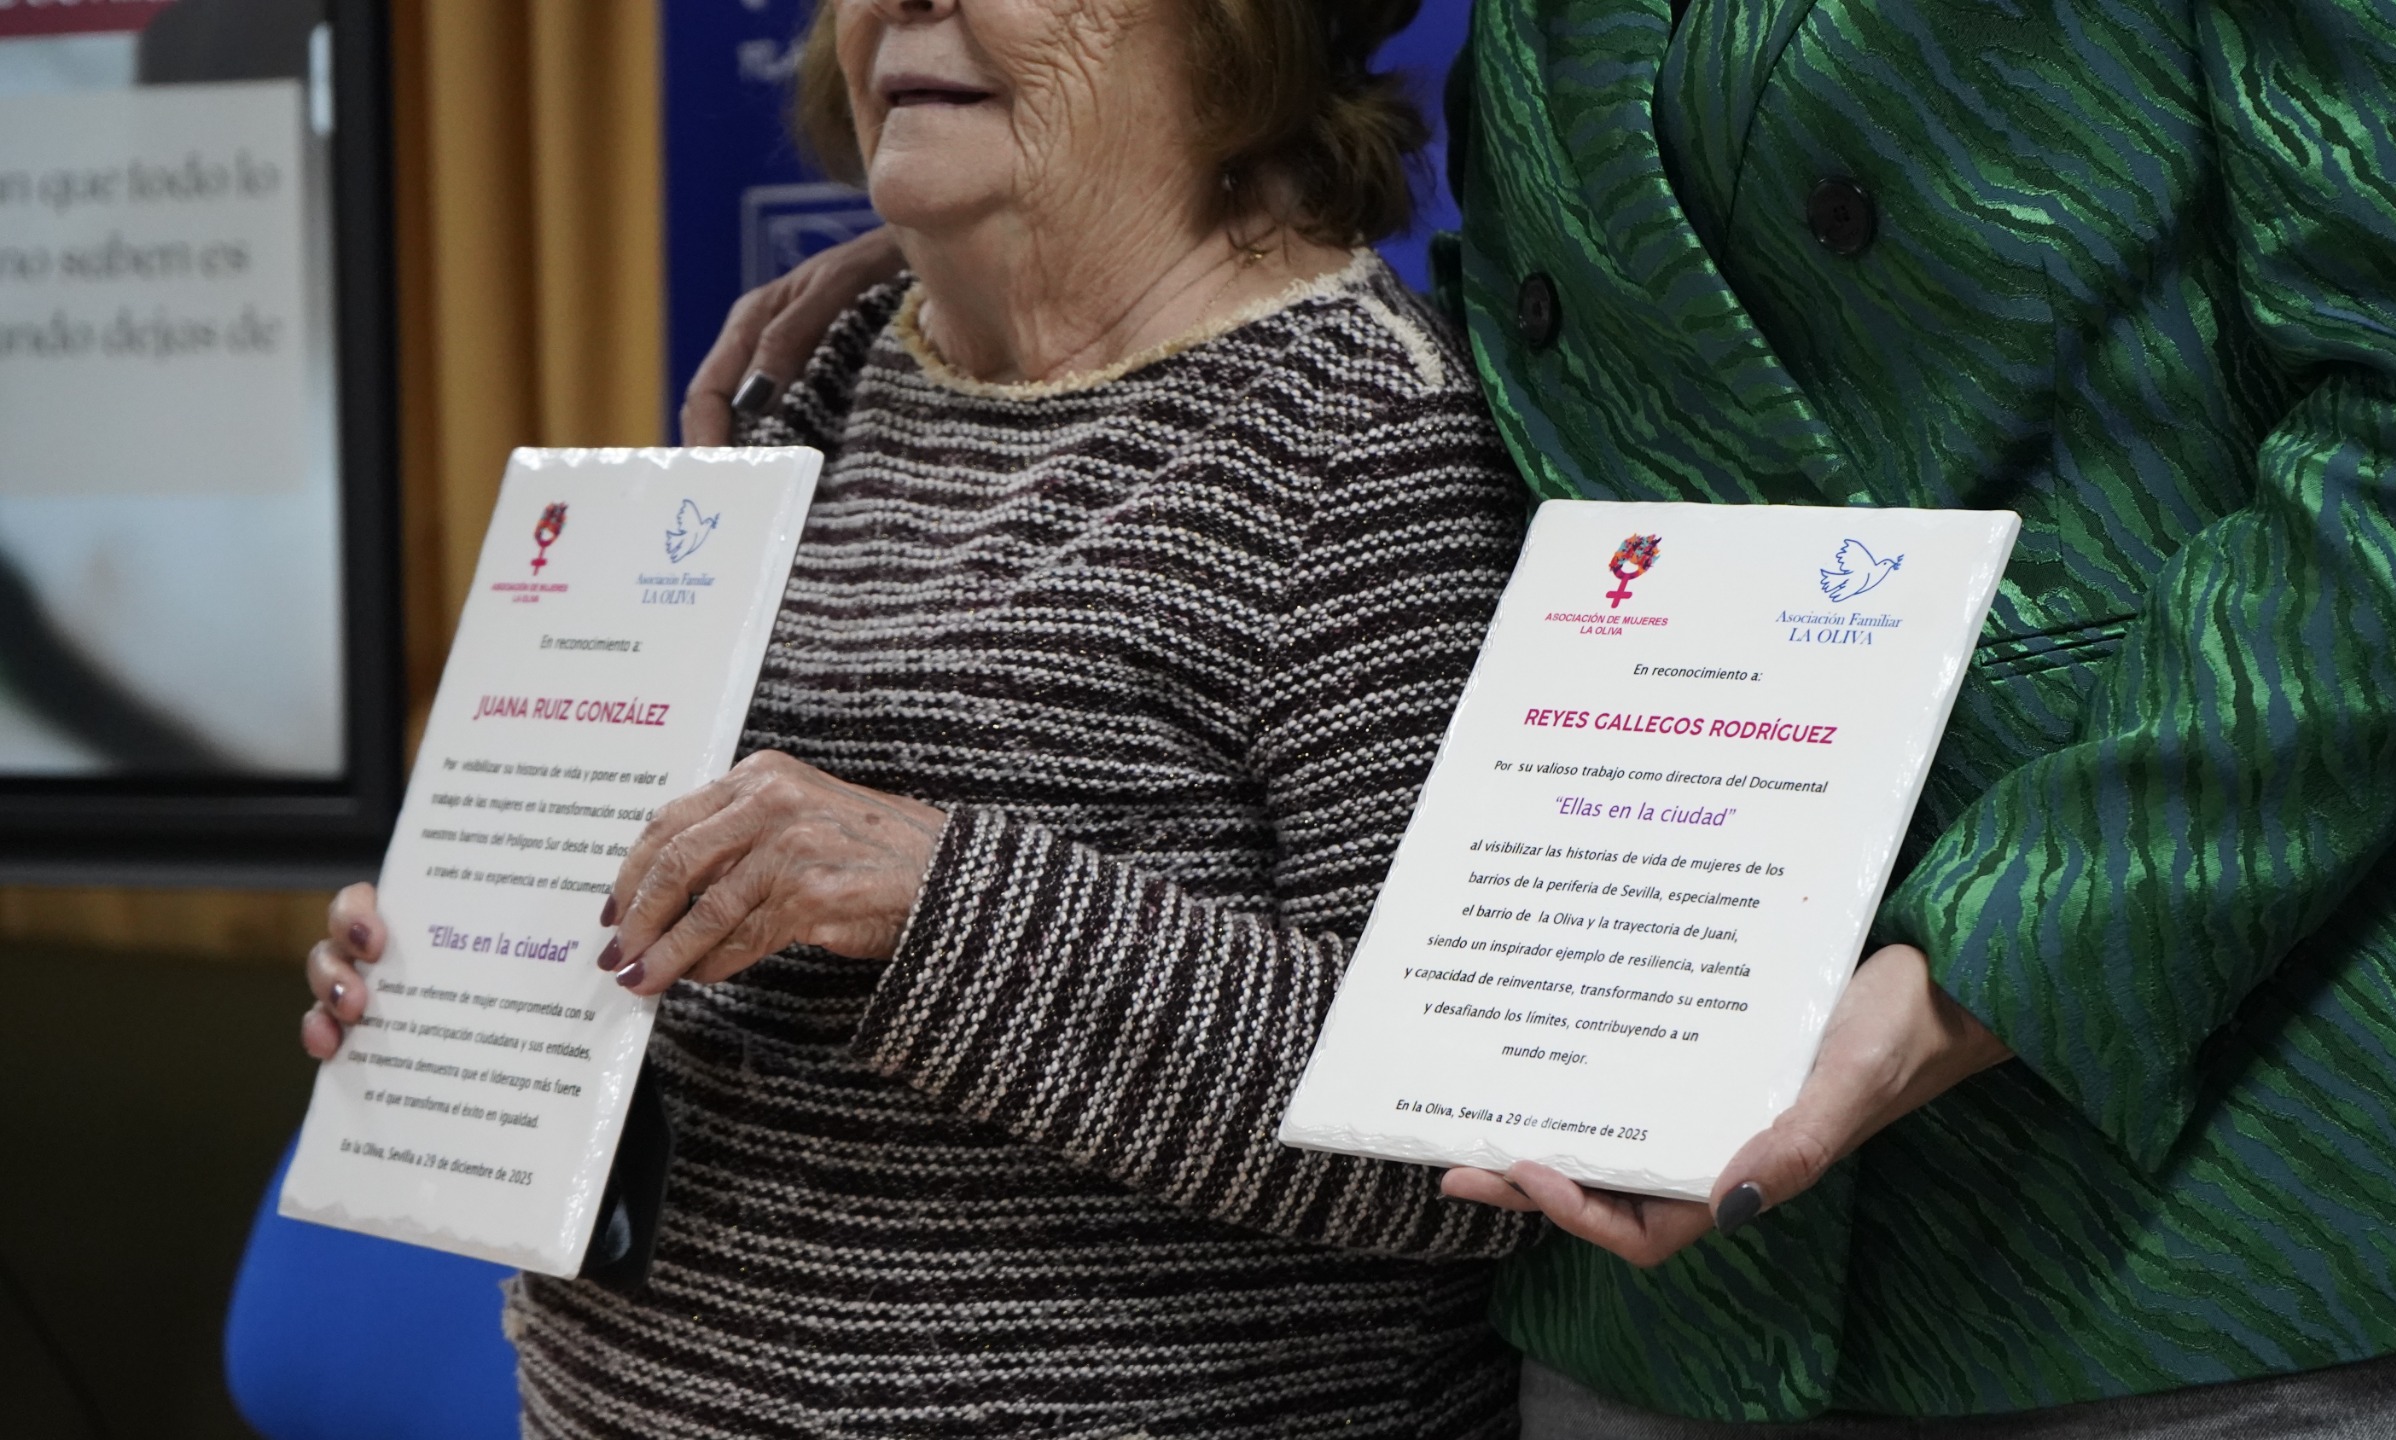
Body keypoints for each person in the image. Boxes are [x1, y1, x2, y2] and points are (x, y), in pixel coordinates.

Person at [702, 0, 2396, 1434]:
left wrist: (1988, 956)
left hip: (2217, 1215)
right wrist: (1059, 228)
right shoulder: (865, 393)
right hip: (1663, 1292)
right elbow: (1610, 332)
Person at [301, 0, 1541, 1435]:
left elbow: (1457, 1141)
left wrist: (934, 898)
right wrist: (454, 963)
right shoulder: (814, 372)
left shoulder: (1364, 435)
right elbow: (670, 924)